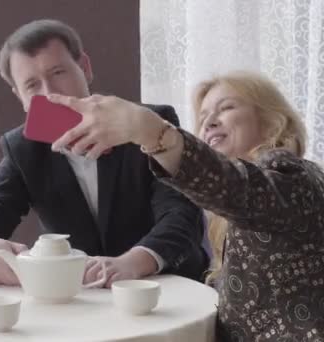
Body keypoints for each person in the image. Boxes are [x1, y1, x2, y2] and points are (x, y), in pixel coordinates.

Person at [49, 70, 323, 341]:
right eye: (202, 118)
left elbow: (233, 186)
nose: (210, 122)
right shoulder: (236, 211)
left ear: (272, 121)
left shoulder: (290, 174)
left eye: (226, 108)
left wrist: (150, 131)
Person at [0, 19, 208, 288]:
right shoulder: (23, 148)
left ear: (85, 68)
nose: (49, 93)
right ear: (20, 97)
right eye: (32, 85)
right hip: (82, 296)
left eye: (58, 72)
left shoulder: (147, 123)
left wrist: (132, 262)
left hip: (165, 285)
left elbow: (182, 216)